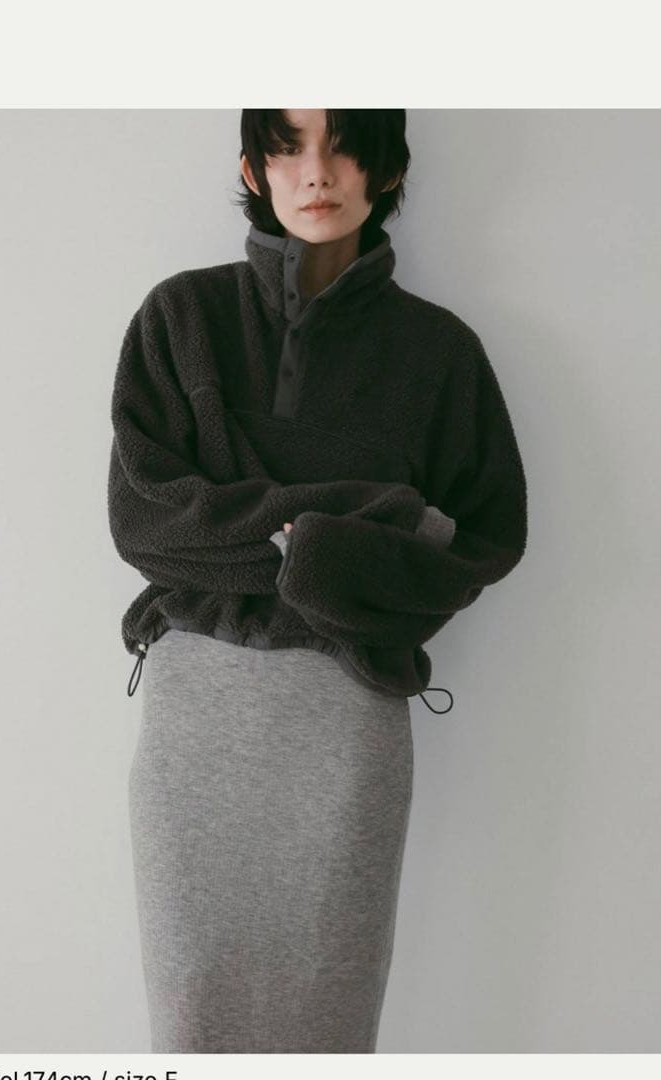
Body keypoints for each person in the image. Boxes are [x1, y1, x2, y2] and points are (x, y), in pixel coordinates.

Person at [110, 108, 528, 1053]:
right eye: (289, 146)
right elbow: (146, 523)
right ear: (252, 169)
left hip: (347, 719)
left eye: (343, 146)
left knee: (327, 1025)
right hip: (196, 715)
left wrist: (322, 552)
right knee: (192, 1020)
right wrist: (368, 517)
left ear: (388, 169)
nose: (317, 172)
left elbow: (482, 539)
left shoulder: (439, 352)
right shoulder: (183, 316)